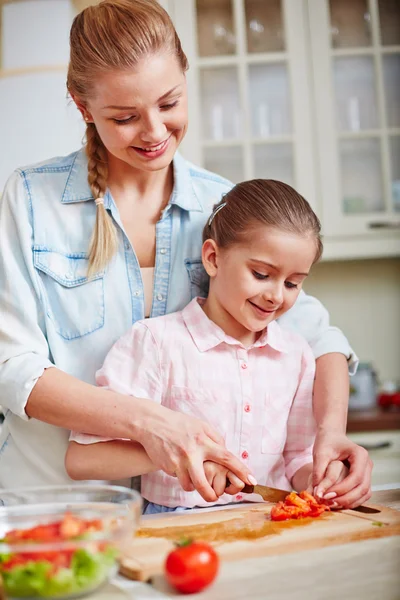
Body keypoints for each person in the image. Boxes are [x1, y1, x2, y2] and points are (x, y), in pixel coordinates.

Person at [0, 0, 371, 507]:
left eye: (169, 103)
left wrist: (330, 432)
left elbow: (316, 335)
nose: (154, 133)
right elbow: (12, 366)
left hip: (188, 517)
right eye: (125, 117)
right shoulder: (28, 200)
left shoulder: (221, 205)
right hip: (57, 504)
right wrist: (153, 426)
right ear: (83, 107)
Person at [66, 180, 351, 514]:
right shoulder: (156, 343)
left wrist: (325, 481)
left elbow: (297, 458)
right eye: (261, 274)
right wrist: (176, 456)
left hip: (271, 524)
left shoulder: (298, 355)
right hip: (174, 529)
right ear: (213, 258)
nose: (276, 295)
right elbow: (83, 458)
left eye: (292, 283)